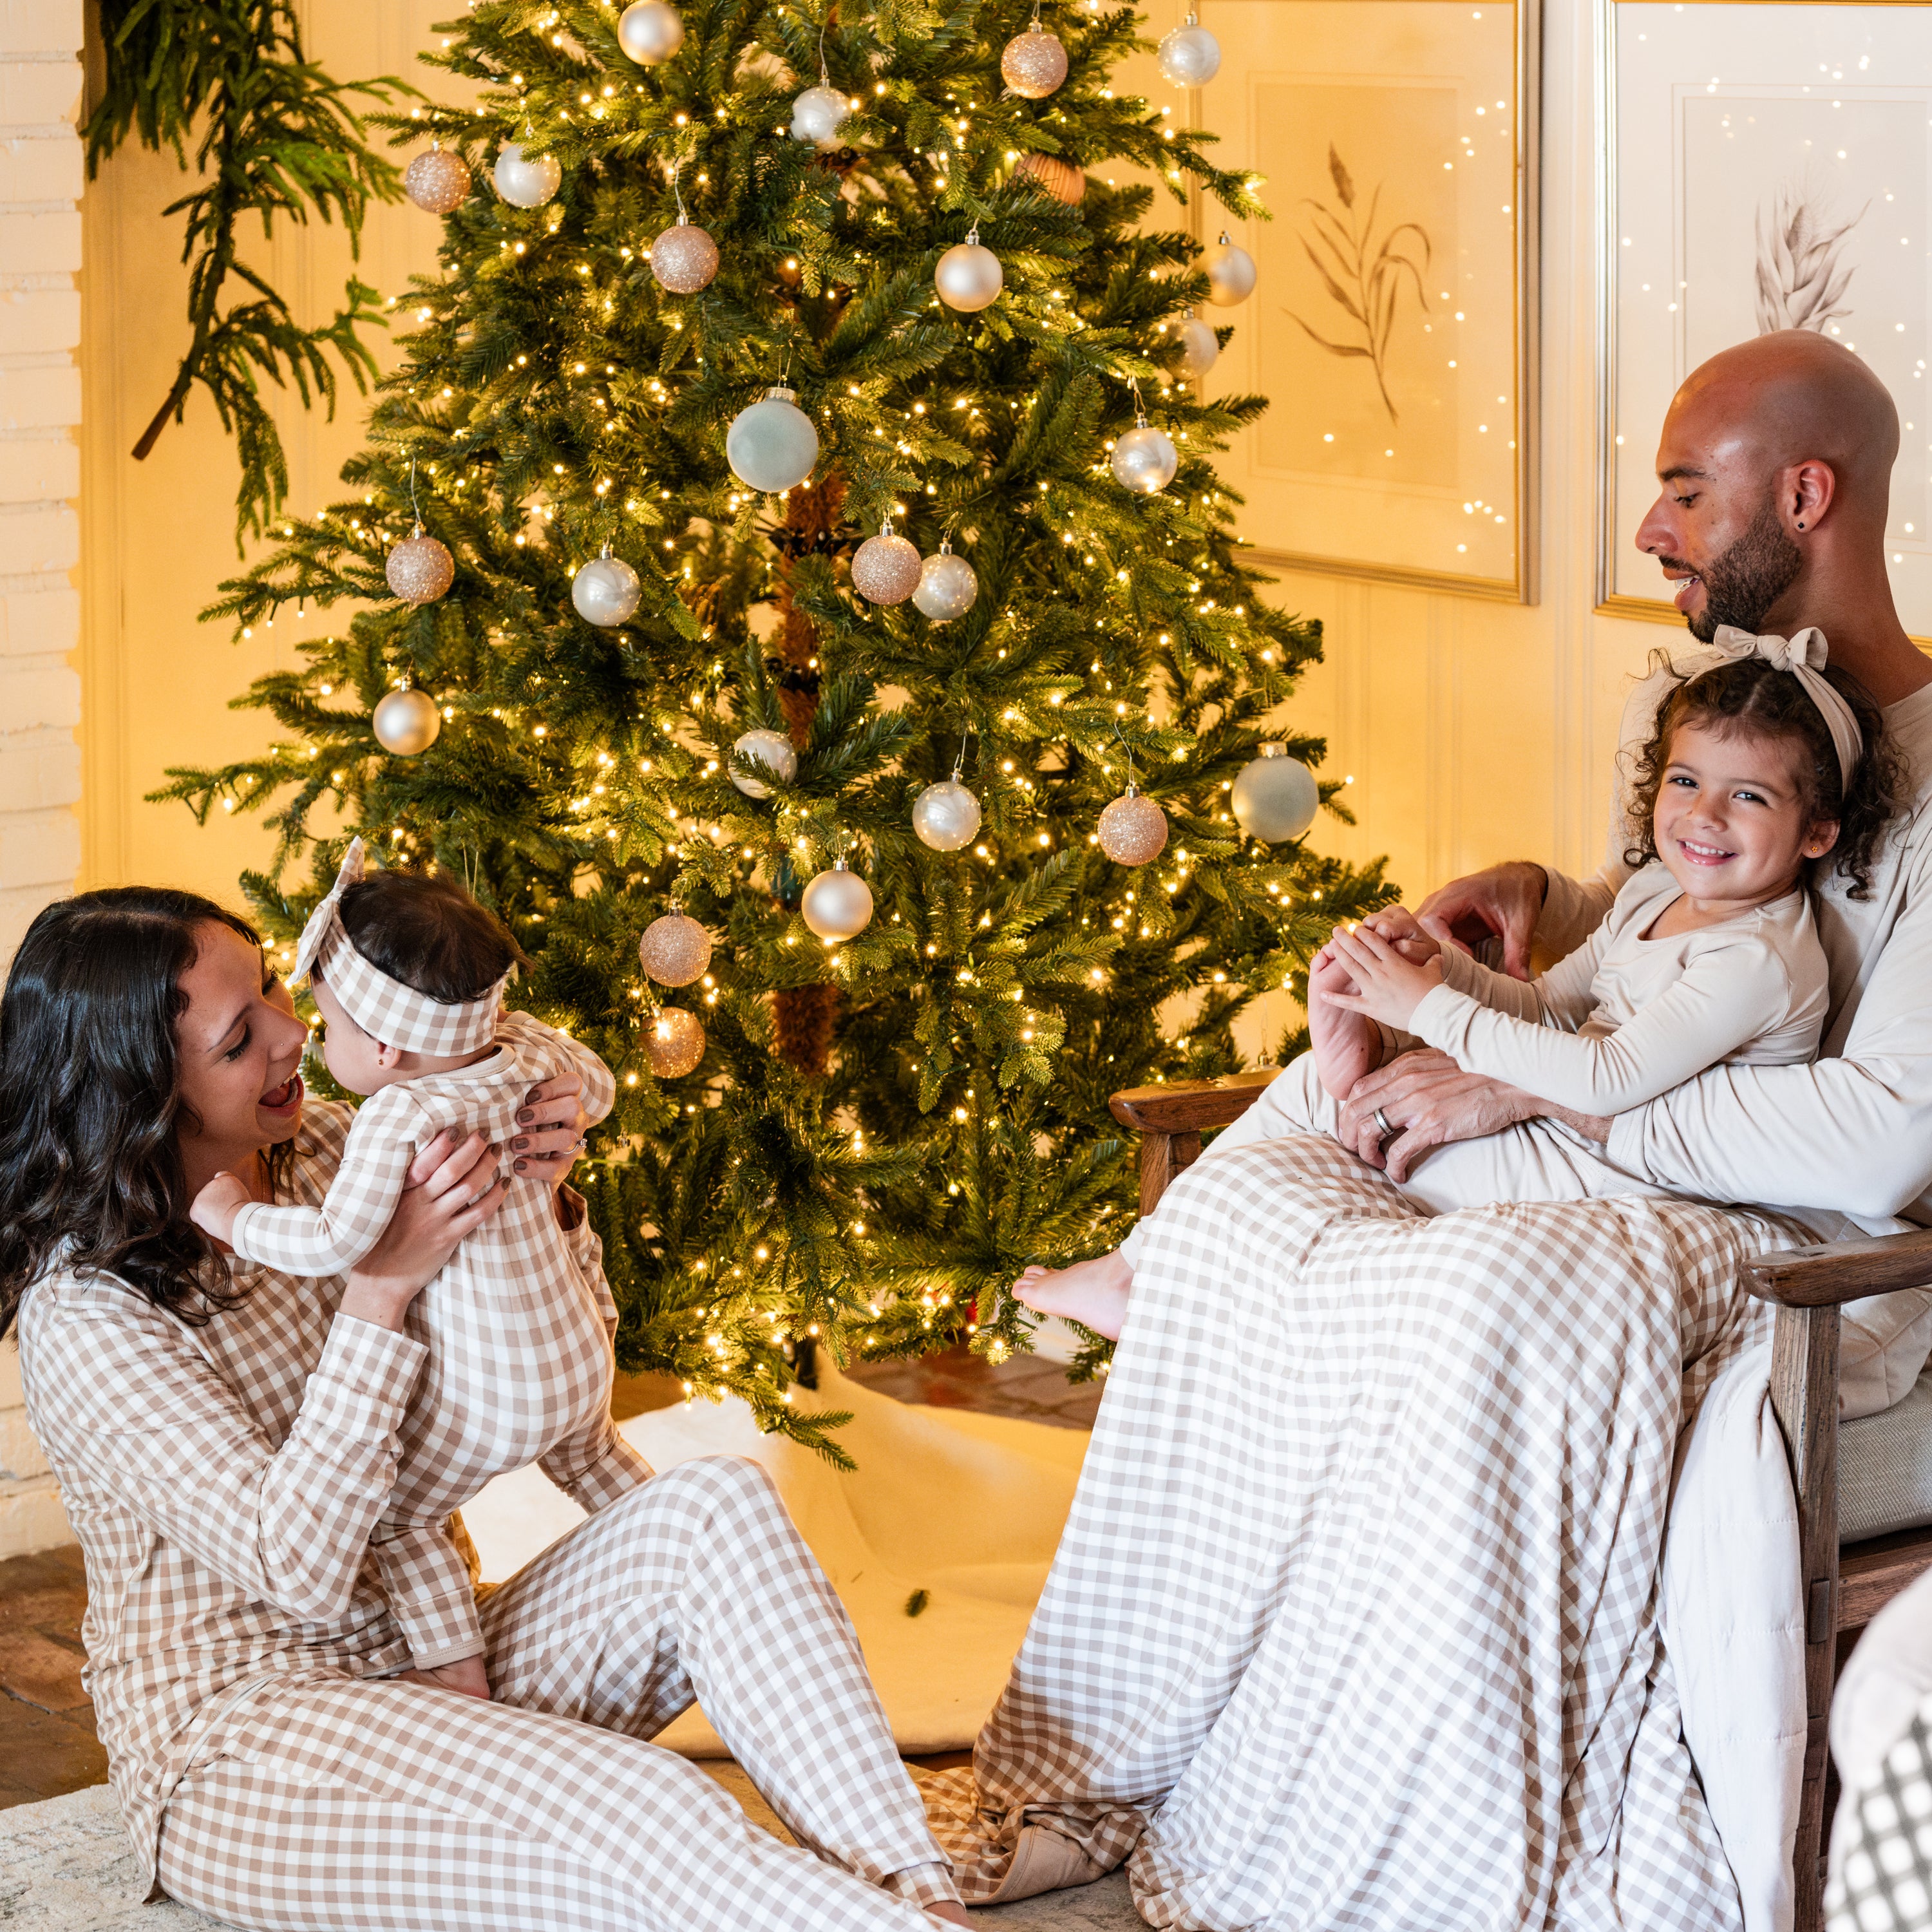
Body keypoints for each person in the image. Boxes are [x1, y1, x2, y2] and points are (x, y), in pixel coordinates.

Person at [923, 330, 1932, 1930]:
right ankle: (1106, 1758)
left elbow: (1879, 1144)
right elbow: (1662, 952)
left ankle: (1417, 1821)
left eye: (1684, 490)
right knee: (1270, 1221)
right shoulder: (1718, 728)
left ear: (1807, 496)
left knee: (1480, 1300)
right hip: (1621, 1158)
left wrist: (1529, 1081)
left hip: (1823, 1269)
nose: (1654, 534)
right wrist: (1541, 915)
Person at [1, 888, 969, 1932]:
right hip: (250, 1746)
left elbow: (552, 1342)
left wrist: (543, 1201)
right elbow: (302, 1571)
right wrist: (381, 1291)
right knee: (650, 1807)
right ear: (145, 1092)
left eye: (278, 984)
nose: (296, 1035)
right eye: (241, 1040)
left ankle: (915, 1896)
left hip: (442, 1652)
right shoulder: (89, 1315)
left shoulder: (341, 1148)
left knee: (716, 1510)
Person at [1018, 632, 1902, 1339]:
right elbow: (1557, 1010)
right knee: (1311, 1089)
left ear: (1818, 830)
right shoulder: (1654, 891)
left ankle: (1265, 1240)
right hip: (1568, 1126)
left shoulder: (1758, 956)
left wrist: (1426, 1008)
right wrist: (1449, 970)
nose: (1702, 816)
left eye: (1748, 797)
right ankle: (1140, 1264)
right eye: (1684, 780)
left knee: (1415, 1145)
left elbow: (1607, 1077)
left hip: (1650, 1174)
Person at [188, 840, 627, 1687]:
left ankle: (456, 1678)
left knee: (397, 1513)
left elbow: (337, 1244)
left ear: (385, 1049)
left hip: (499, 1394)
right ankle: (659, 1537)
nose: (302, 1044)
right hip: (579, 1360)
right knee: (595, 1456)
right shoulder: (522, 1048)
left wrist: (238, 1219)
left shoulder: (397, 1114)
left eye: (323, 1023)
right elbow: (600, 1091)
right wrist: (568, 1109)